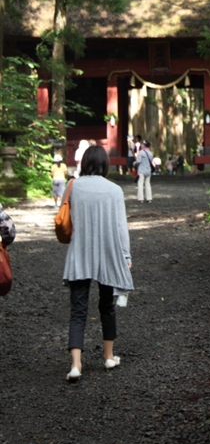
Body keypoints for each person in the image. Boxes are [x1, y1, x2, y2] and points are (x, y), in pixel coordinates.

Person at [62, 145, 133, 382]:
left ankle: (75, 365)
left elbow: (66, 217)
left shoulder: (73, 186)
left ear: (84, 163)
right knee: (107, 306)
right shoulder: (114, 190)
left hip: (79, 253)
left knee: (78, 310)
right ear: (105, 164)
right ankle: (109, 357)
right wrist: (126, 256)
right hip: (108, 254)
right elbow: (121, 227)